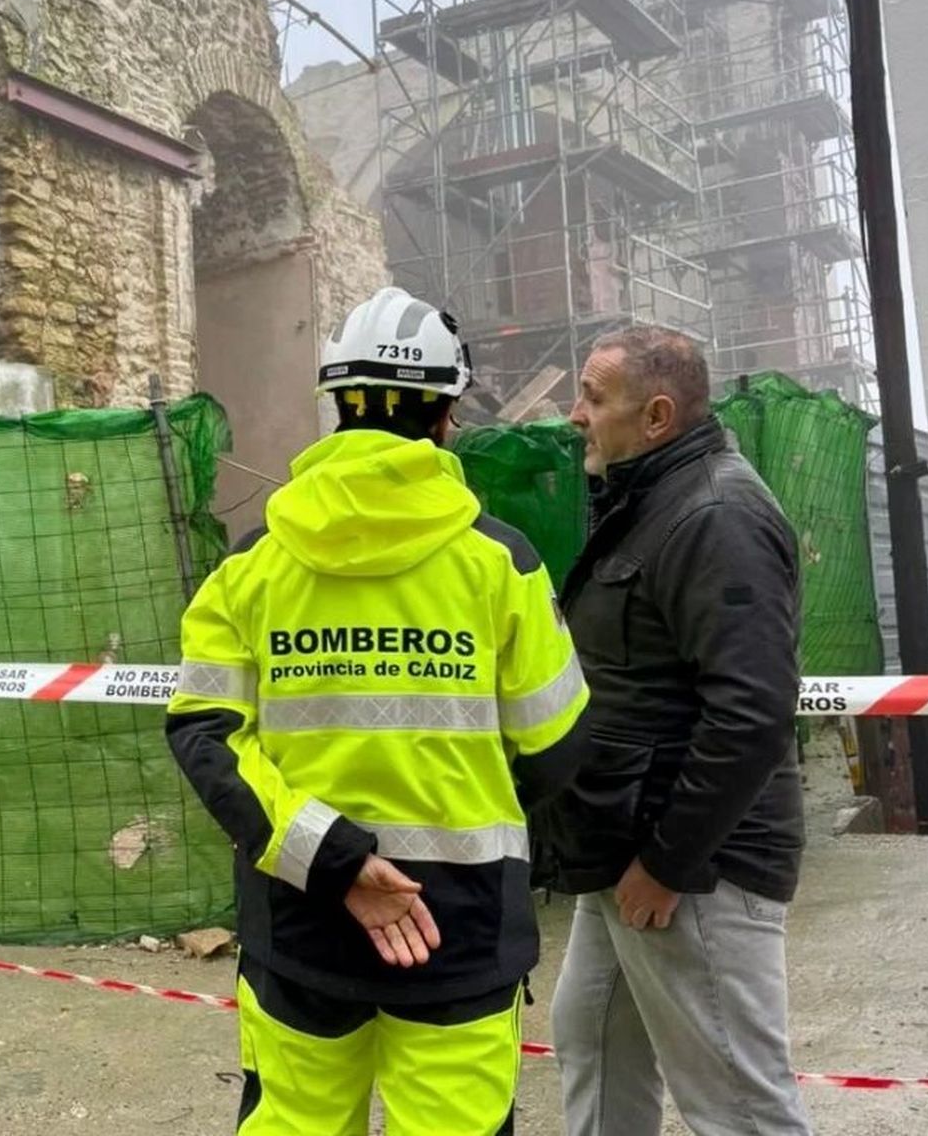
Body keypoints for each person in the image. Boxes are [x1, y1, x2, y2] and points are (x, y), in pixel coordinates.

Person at [167, 286, 590, 1136]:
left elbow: (205, 735)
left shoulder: (251, 566)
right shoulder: (501, 562)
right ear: (444, 415)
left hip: (302, 919)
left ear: (337, 408)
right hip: (460, 927)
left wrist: (336, 864)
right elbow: (556, 748)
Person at [541, 326, 810, 1136]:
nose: (574, 416)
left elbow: (753, 714)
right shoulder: (653, 501)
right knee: (592, 1037)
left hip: (694, 868)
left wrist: (667, 863)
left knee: (736, 1103)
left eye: (593, 397)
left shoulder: (716, 515)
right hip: (628, 851)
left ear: (656, 416)